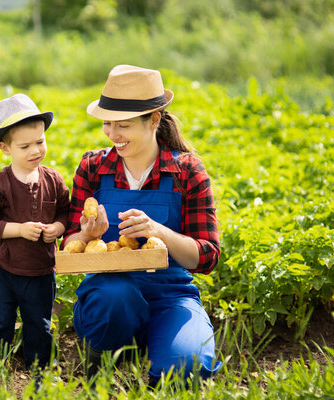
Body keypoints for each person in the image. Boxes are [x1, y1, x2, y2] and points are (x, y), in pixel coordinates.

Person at [62, 65, 222, 386]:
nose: (111, 133)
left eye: (123, 125)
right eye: (107, 123)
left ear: (154, 120)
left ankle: (162, 354)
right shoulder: (93, 167)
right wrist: (85, 235)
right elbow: (69, 246)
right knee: (114, 298)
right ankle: (105, 355)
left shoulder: (187, 171)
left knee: (187, 367)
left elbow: (206, 256)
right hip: (110, 292)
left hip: (171, 294)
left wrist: (159, 231)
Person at [0, 93, 70, 394]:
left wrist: (58, 227)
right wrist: (18, 230)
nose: (35, 150)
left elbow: (67, 212)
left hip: (41, 272)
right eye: (25, 146)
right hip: (4, 271)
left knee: (38, 326)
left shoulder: (53, 180)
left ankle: (43, 377)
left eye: (40, 142)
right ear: (5, 148)